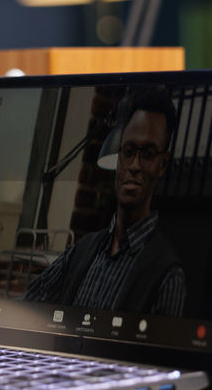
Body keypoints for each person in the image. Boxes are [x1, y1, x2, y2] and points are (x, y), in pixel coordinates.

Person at [22, 87, 187, 316]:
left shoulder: (167, 275)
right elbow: (25, 307)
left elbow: (157, 352)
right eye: (128, 151)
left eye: (148, 154)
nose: (135, 165)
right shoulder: (82, 250)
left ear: (163, 164)